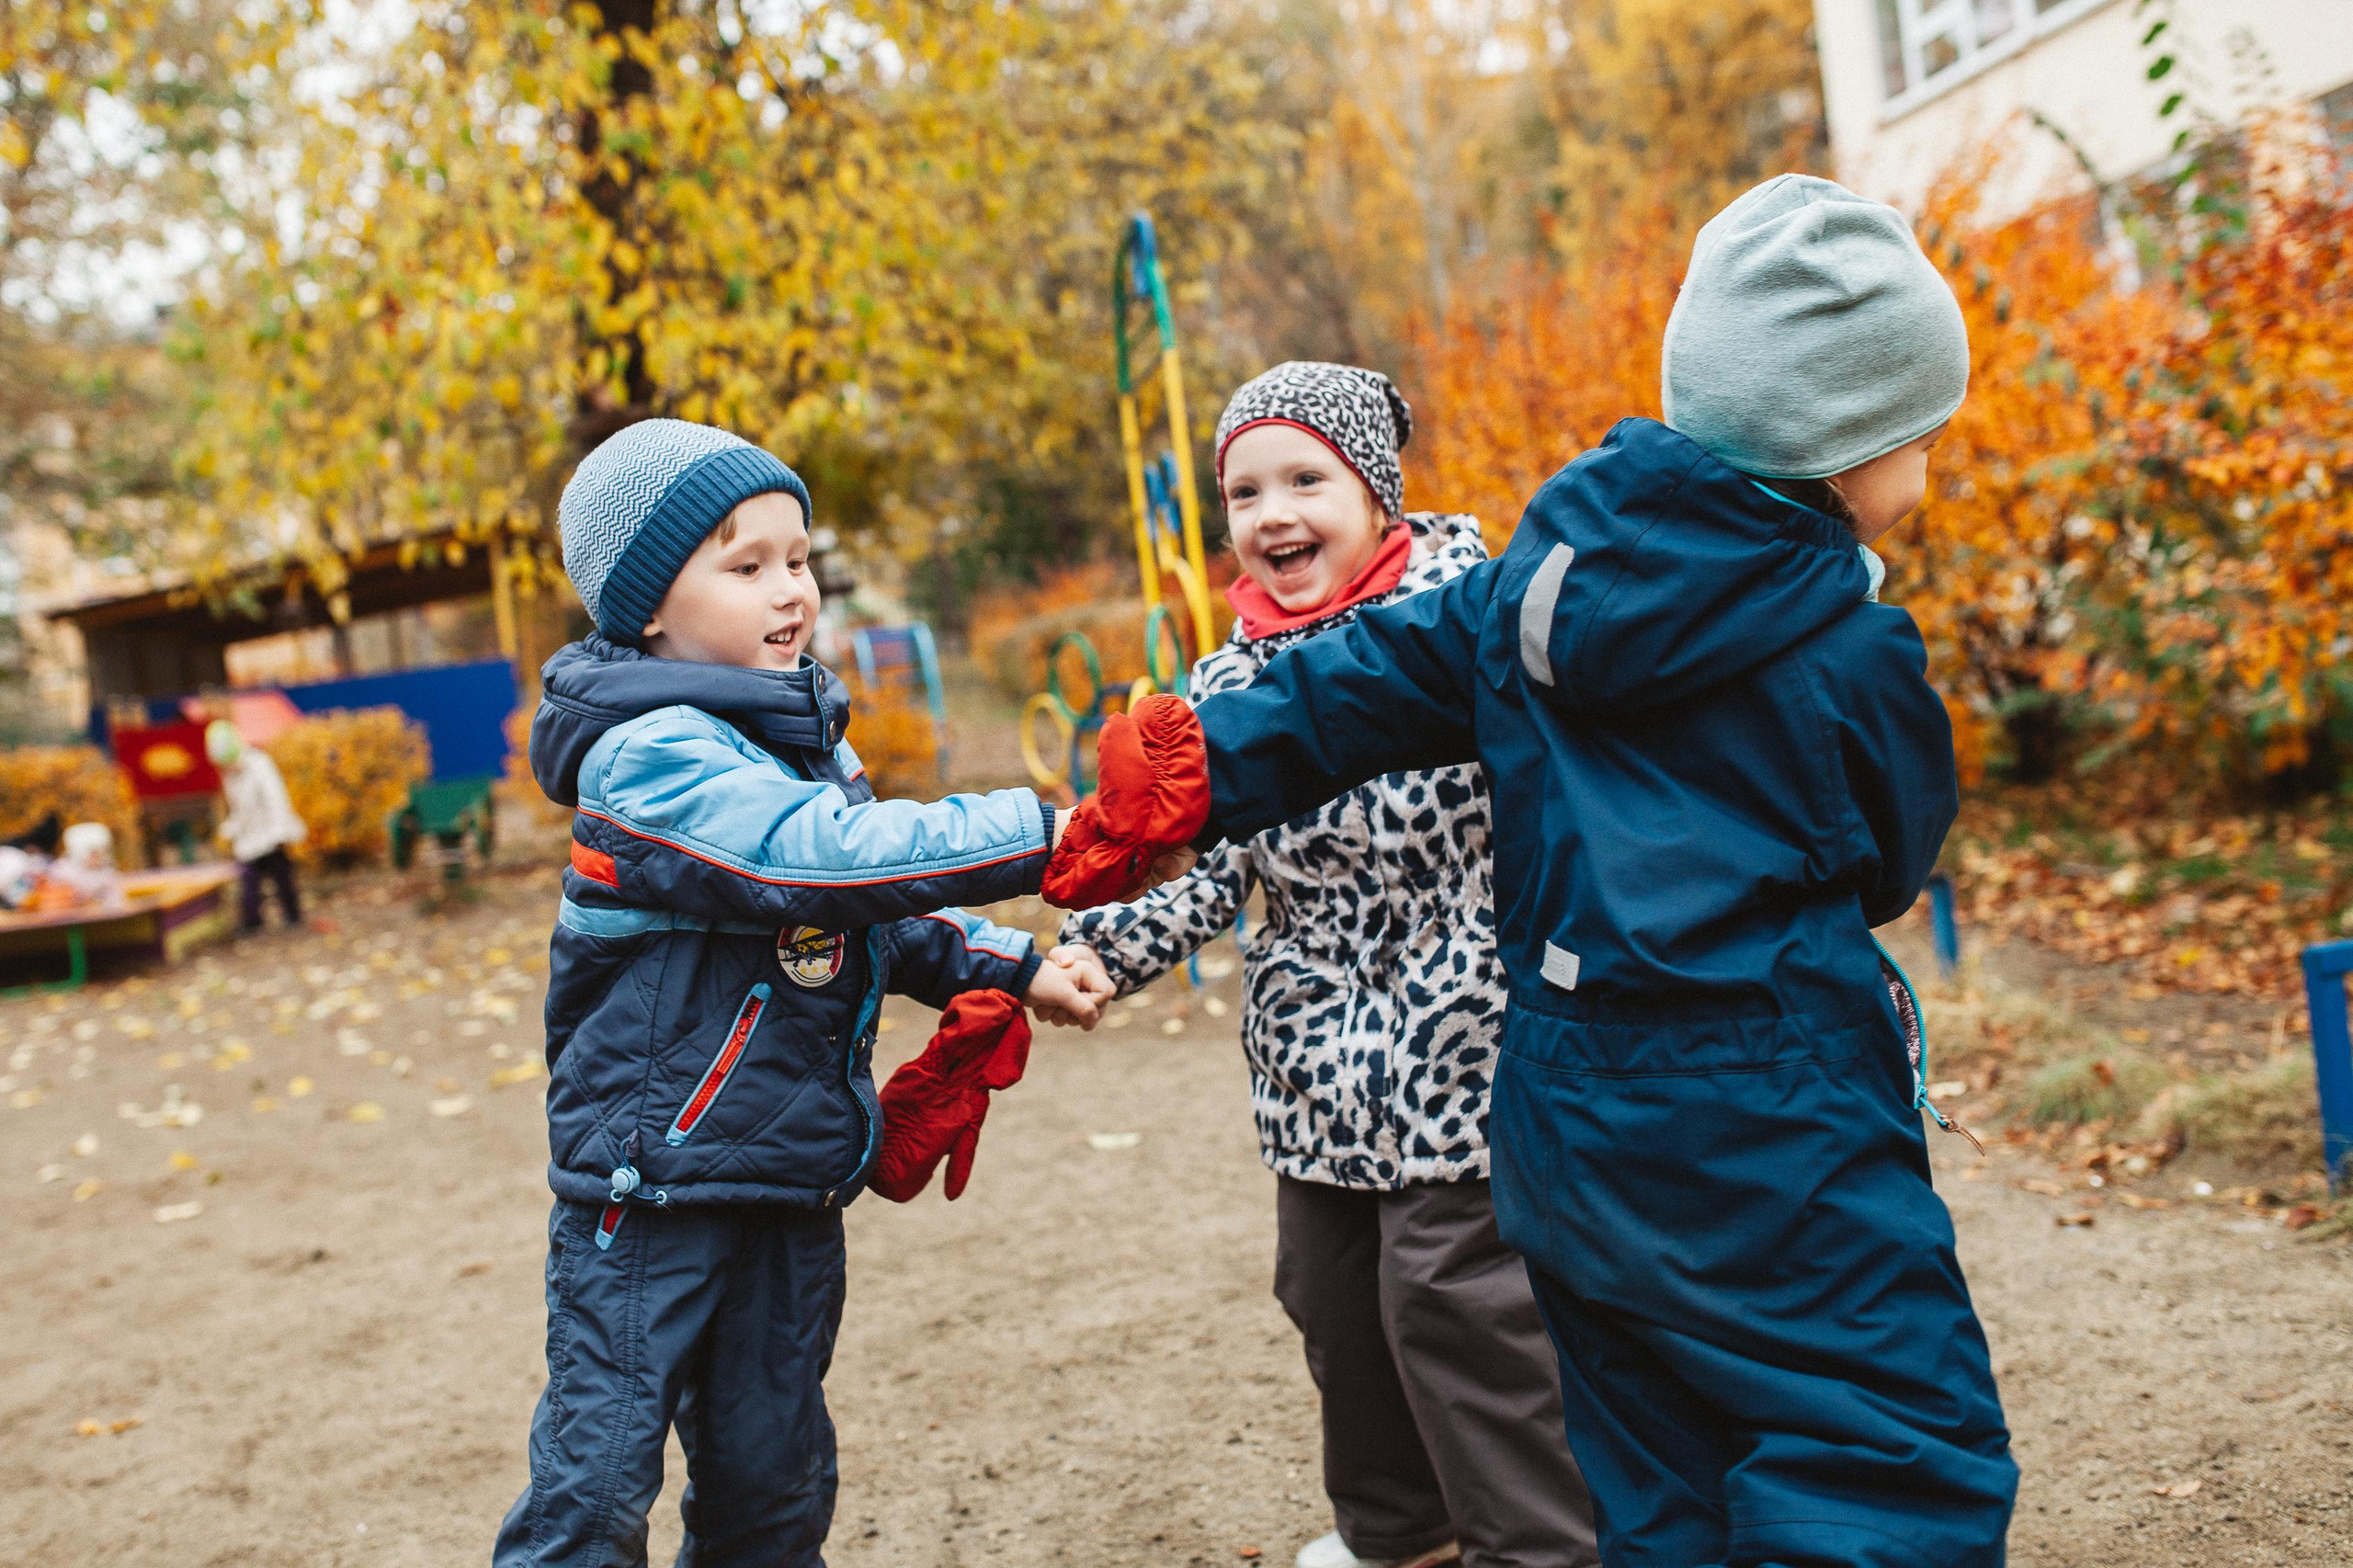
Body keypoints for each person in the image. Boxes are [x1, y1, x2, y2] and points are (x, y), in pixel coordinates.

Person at [1058, 176, 2018, 1566]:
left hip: (1559, 1105)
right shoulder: (1850, 653)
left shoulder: (1534, 581)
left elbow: (1364, 679)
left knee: (1648, 1456)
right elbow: (1888, 859)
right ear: (1851, 450)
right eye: (1921, 436)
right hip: (1769, 1099)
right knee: (1881, 1432)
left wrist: (1208, 756)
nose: (1924, 465)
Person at [498, 417, 1118, 1568]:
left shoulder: (790, 741)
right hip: (650, 1198)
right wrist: (1057, 829)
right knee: (593, 1492)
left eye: (798, 560)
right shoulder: (648, 756)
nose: (791, 590)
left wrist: (1012, 964)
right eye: (746, 566)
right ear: (643, 607)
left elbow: (862, 902)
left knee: (773, 1492)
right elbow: (816, 858)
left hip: (785, 1182)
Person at [1053, 362, 1596, 1568]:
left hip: (1469, 1043)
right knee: (1334, 1298)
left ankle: (1547, 1545)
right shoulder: (1233, 676)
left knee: (1455, 1302)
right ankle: (1401, 1533)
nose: (1273, 513)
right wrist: (1101, 948)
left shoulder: (1468, 622)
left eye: (1307, 477)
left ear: (1376, 492)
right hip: (1316, 1066)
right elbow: (1211, 855)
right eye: (1245, 490)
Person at [207, 720, 305, 932]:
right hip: (250, 838)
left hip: (272, 833)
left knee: (282, 877)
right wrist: (230, 829)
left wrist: (279, 832)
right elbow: (240, 810)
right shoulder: (230, 776)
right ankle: (253, 920)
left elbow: (276, 799)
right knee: (249, 881)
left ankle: (293, 915)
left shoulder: (259, 764)